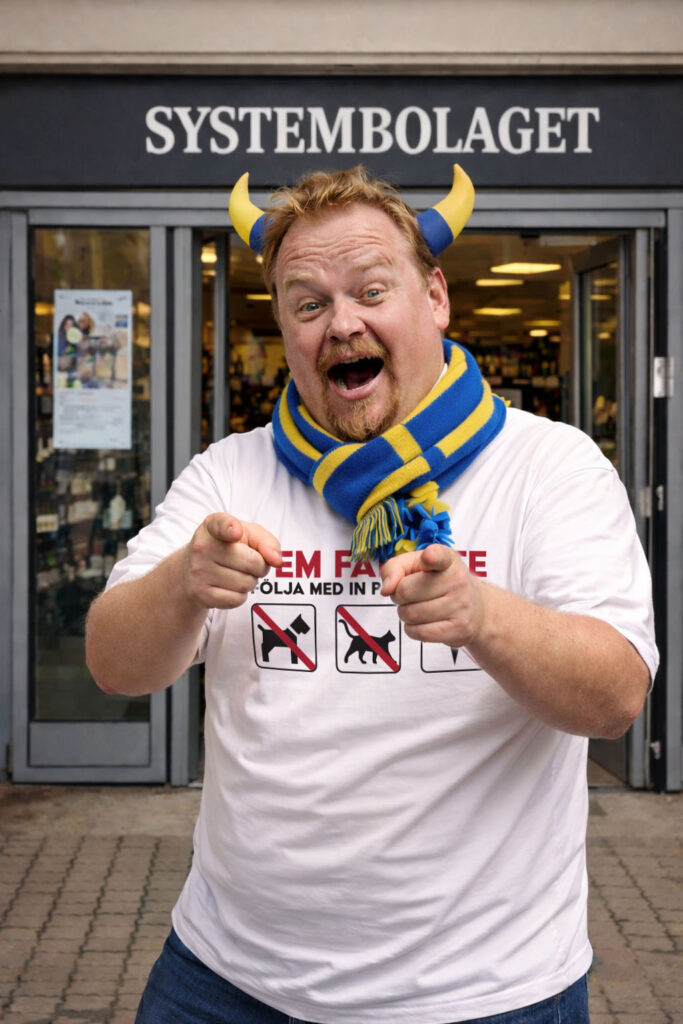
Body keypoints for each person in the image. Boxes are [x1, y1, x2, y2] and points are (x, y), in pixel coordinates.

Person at [85, 164, 658, 1024]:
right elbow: (113, 665)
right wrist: (182, 584)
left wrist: (483, 617)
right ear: (284, 326)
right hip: (227, 978)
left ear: (434, 297)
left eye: (370, 289)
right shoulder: (229, 474)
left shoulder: (551, 466)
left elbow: (614, 699)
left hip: (485, 993)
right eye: (308, 303)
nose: (341, 322)